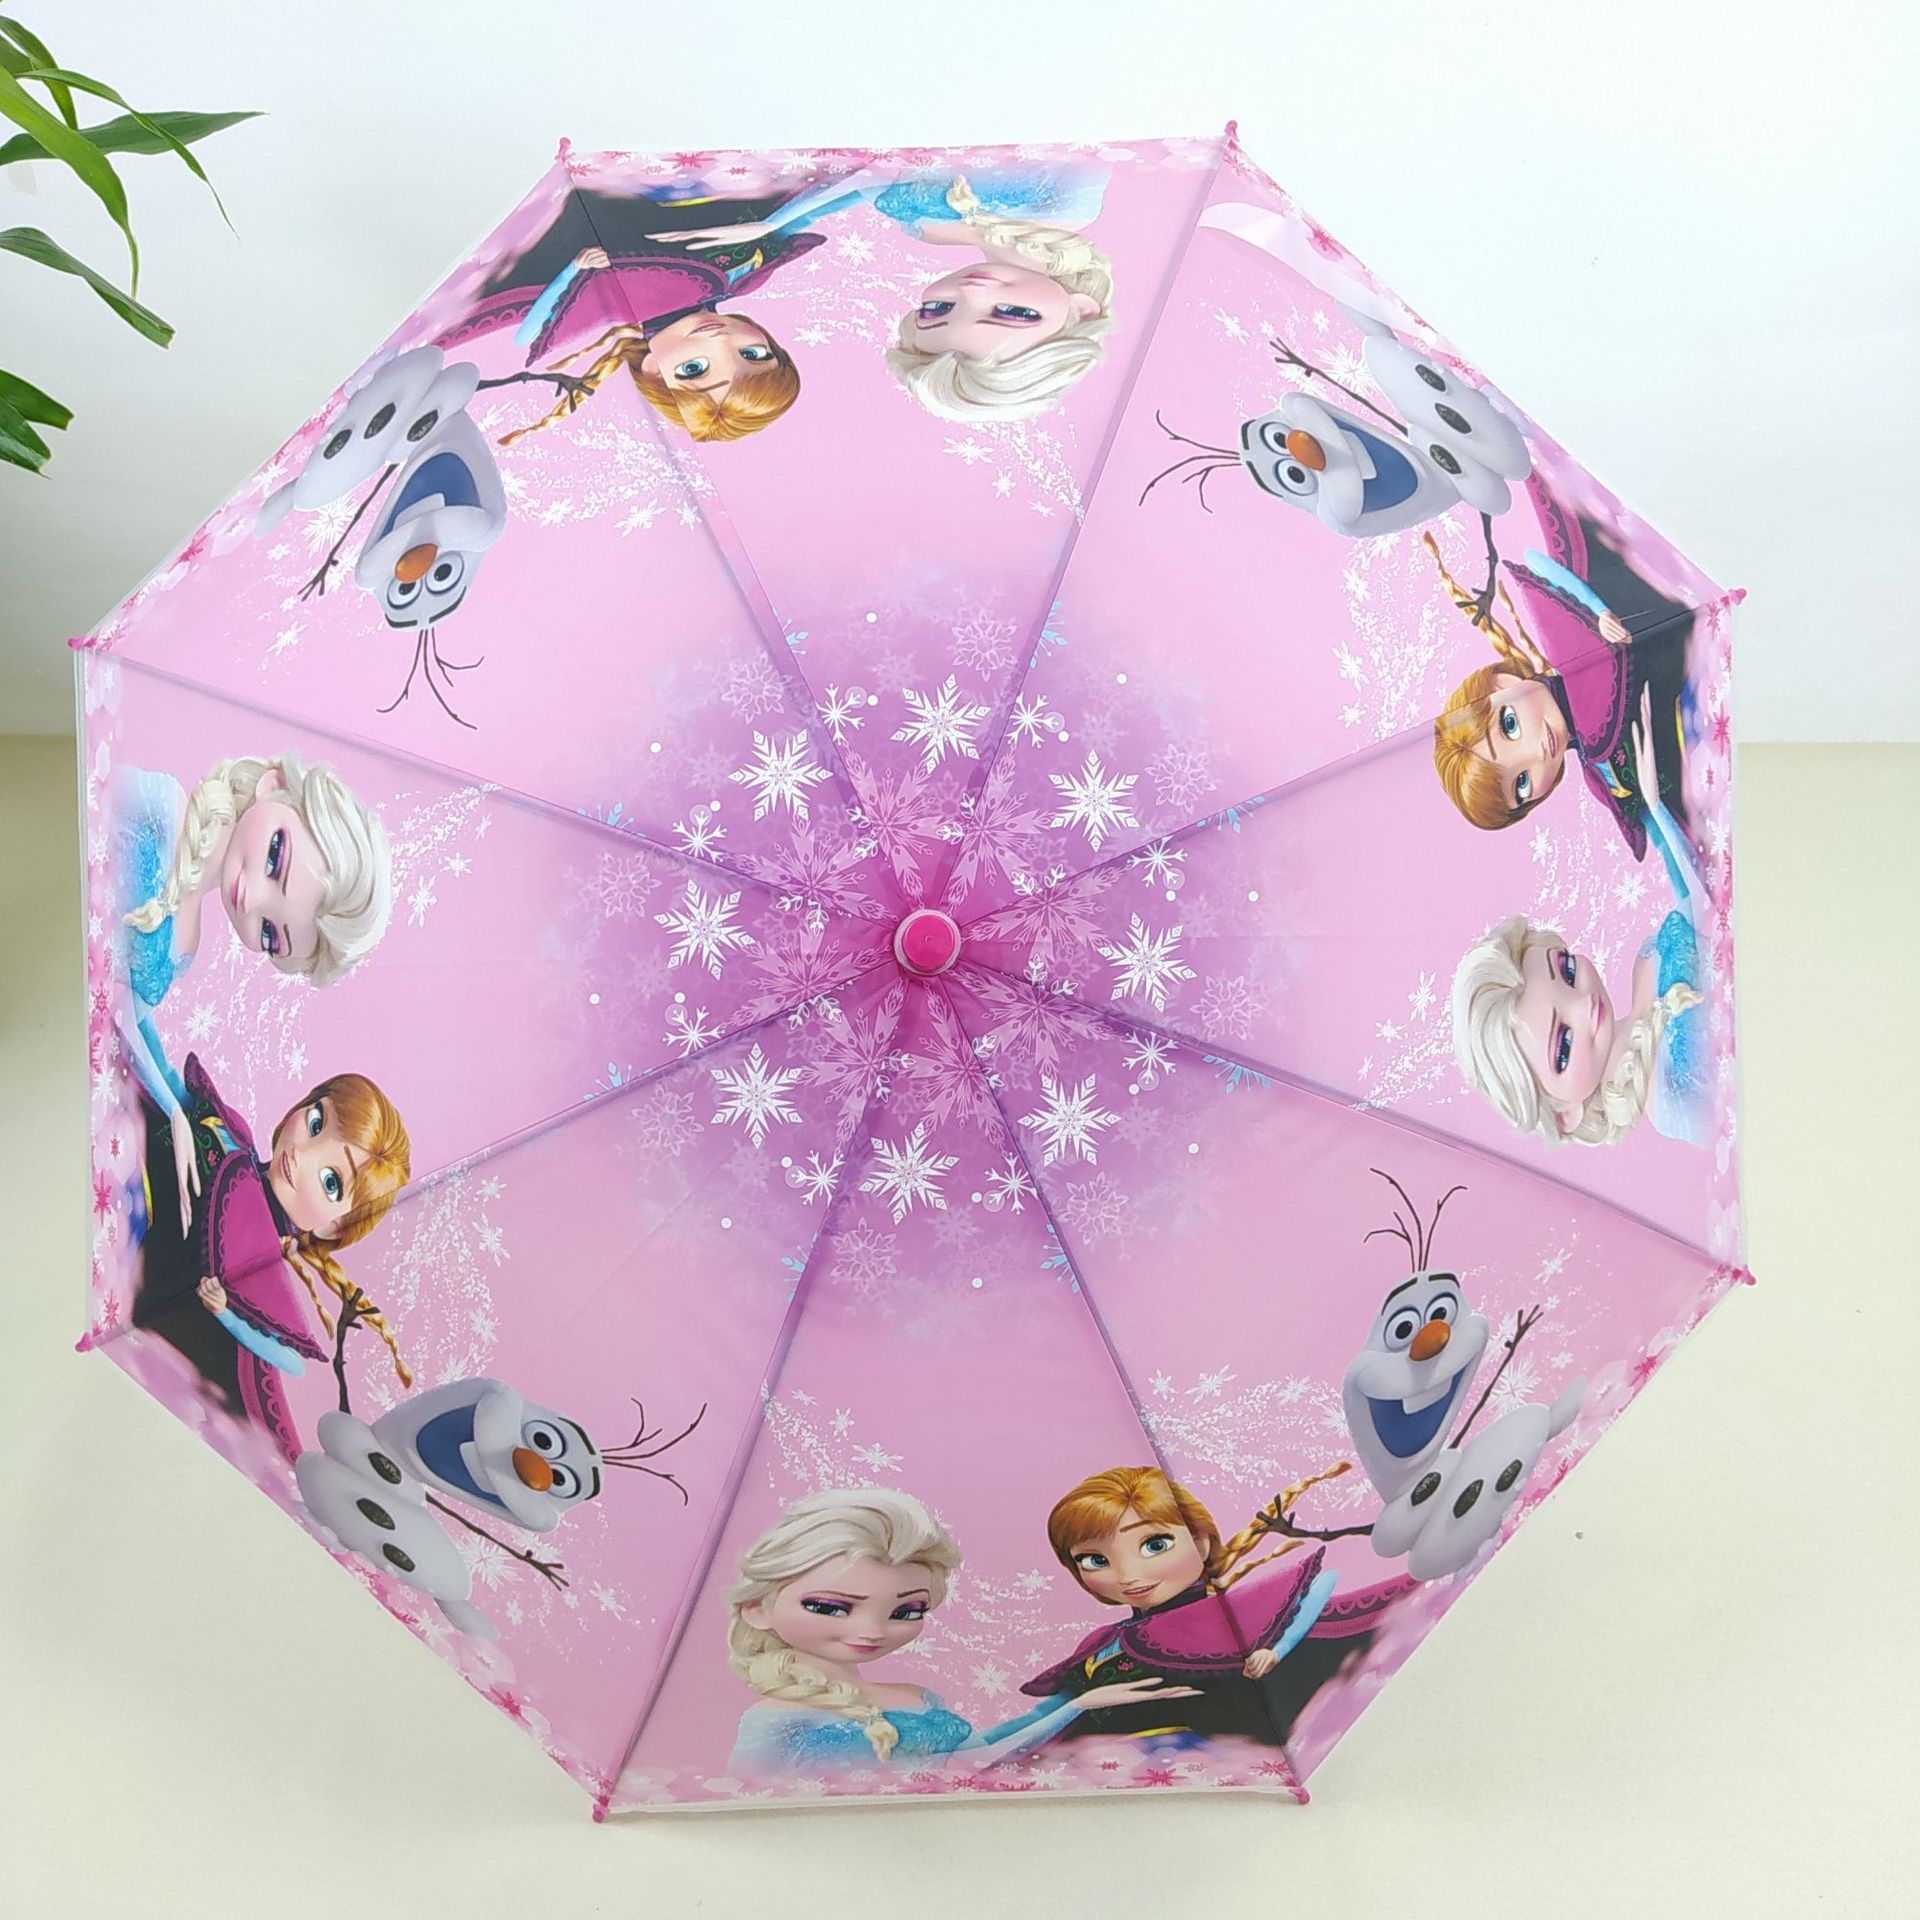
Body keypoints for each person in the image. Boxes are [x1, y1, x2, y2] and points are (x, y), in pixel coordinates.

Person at [723, 1487, 1191, 1775]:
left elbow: (978, 1760)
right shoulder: (773, 1718)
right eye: (828, 1607)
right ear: (756, 1608)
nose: (870, 1630)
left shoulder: (917, 1697)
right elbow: (742, 1809)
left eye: (906, 1611)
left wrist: (1076, 1705)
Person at [112, 753, 391, 1231]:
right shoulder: (162, 806)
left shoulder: (187, 945)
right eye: (276, 857)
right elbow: (80, 793)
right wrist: (172, 1108)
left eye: (270, 933)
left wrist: (178, 1106)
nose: (253, 897)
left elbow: (126, 1017)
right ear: (272, 785)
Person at [1451, 688, 1711, 1147]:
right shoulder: (1672, 1102)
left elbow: (1703, 903)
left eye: (1567, 971)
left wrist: (1655, 809)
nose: (1584, 1006)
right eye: (1563, 1047)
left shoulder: (1644, 965)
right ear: (1565, 1116)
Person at [132, 1057, 413, 1456]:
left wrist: (226, 1312)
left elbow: (290, 1362)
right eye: (316, 1123)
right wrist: (139, 1032)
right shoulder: (233, 1137)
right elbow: (171, 1086)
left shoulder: (262, 1262)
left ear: (334, 1228)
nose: (302, 1155)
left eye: (331, 1182)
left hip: (161, 1301)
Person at [1018, 1465, 1371, 1754]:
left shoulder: (1228, 1615)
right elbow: (1039, 1718)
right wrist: (1081, 1705)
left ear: (1201, 1544)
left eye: (1155, 1545)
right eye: (1095, 1560)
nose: (1127, 1575)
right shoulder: (1103, 1642)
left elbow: (1323, 1585)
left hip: (1214, 1754)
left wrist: (1277, 1650)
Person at [1430, 478, 1695, 859]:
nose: (1536, 751)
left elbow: (1538, 561)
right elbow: (1665, 842)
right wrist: (1653, 803)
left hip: (1661, 609)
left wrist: (1599, 612)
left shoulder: (1564, 631)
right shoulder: (1604, 773)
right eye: (1522, 784)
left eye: (1509, 725)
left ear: (1502, 681)